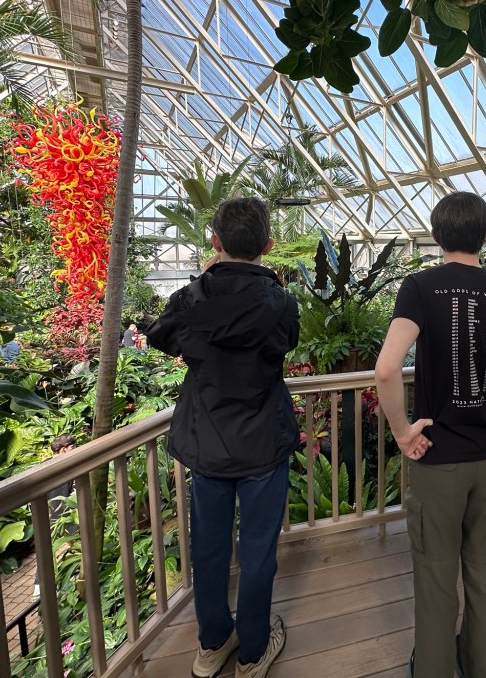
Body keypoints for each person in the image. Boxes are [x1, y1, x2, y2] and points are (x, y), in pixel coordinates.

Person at [375, 191, 486, 678]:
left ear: (436, 235)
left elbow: (386, 369)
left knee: (436, 578)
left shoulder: (420, 287)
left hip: (438, 460)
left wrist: (403, 433)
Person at [146, 197, 298, 678]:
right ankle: (252, 652)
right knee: (258, 552)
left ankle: (213, 644)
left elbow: (159, 335)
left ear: (214, 241)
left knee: (209, 550)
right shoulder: (279, 302)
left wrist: (202, 280)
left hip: (207, 444)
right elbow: (288, 342)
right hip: (262, 444)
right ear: (267, 246)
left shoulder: (191, 299)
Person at [33, 434, 78, 599]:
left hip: (48, 517)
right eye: (73, 447)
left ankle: (39, 587)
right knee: (84, 543)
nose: (76, 449)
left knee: (46, 550)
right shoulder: (66, 467)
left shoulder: (43, 467)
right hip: (66, 516)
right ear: (64, 450)